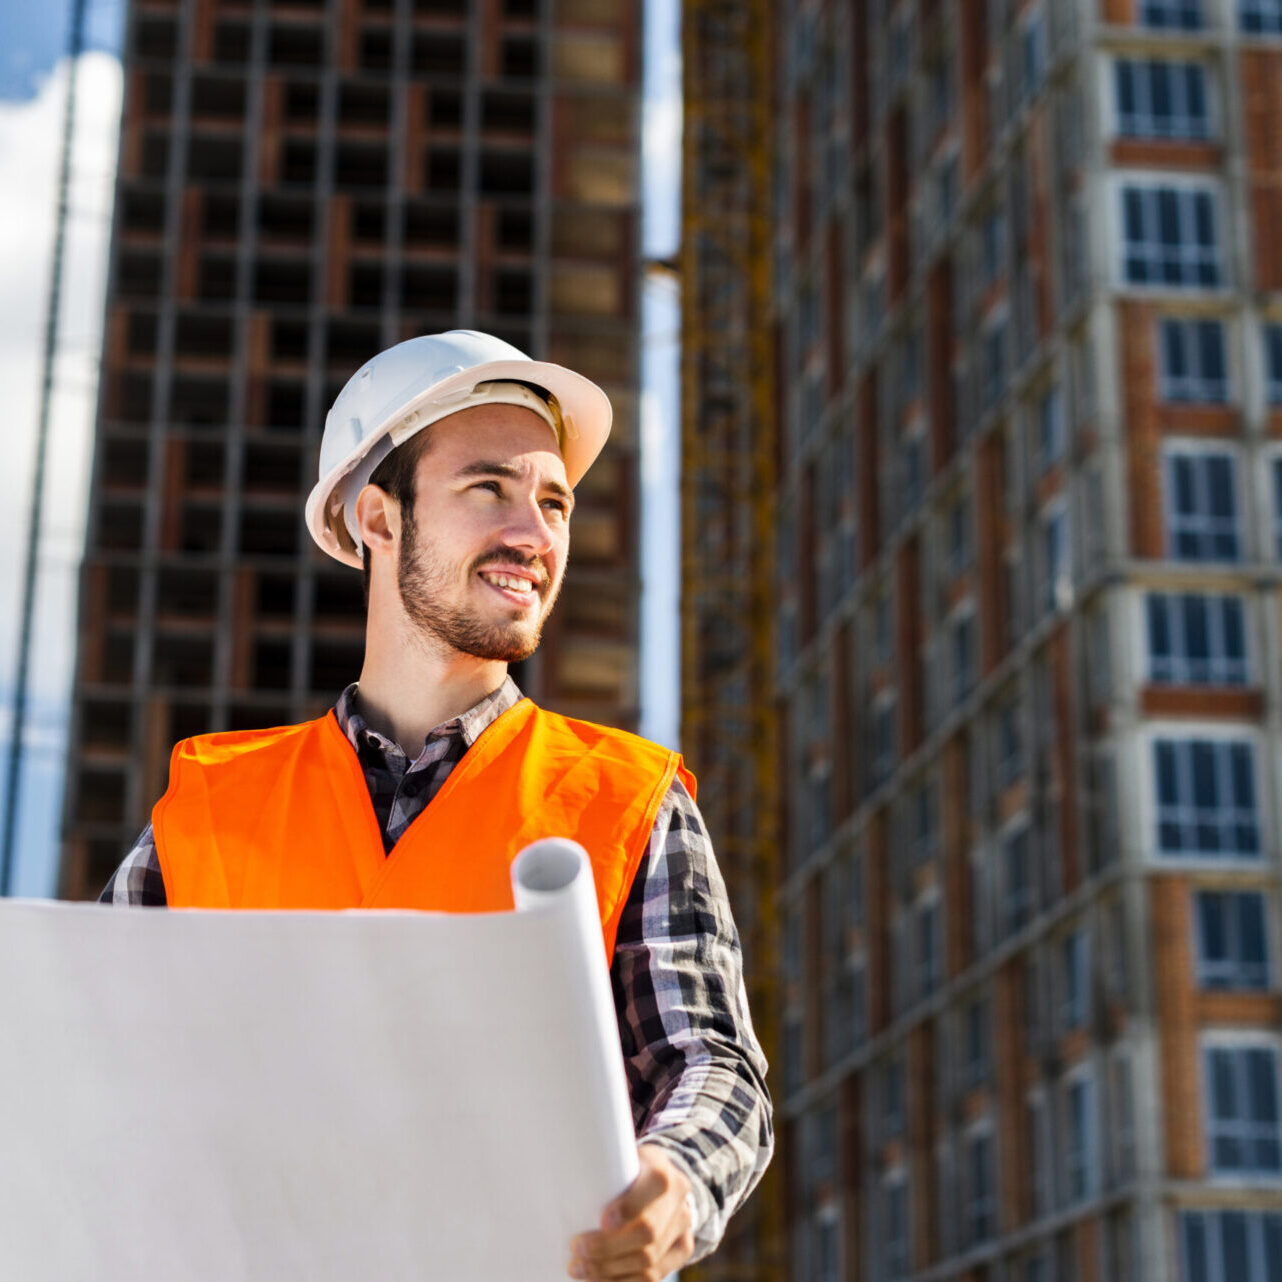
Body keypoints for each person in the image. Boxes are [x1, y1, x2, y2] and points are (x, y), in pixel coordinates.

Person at [100, 330, 773, 1281]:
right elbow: (90, 1061)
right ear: (378, 518)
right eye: (488, 488)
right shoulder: (213, 802)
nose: (535, 537)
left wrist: (674, 1178)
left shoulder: (626, 800)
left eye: (554, 503)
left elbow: (710, 1065)